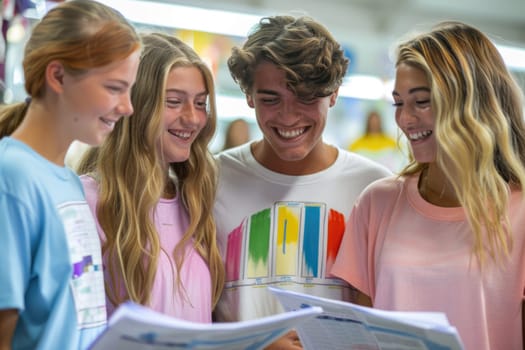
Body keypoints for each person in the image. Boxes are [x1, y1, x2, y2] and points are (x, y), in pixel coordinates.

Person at [331, 21, 525, 350]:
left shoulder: (519, 212)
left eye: (421, 102)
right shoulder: (378, 203)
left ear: (470, 103)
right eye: (398, 103)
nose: (405, 119)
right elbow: (361, 339)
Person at [213, 15, 391, 348]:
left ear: (334, 94)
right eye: (270, 99)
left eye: (307, 97)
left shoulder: (374, 188)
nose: (288, 116)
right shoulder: (211, 180)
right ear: (249, 95)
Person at [0, 1, 141, 349]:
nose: (128, 107)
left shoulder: (65, 180)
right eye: (114, 88)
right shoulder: (12, 178)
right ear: (58, 76)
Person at [76, 32, 225, 323]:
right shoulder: (87, 202)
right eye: (173, 102)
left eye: (200, 103)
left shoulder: (195, 202)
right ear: (136, 106)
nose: (192, 118)